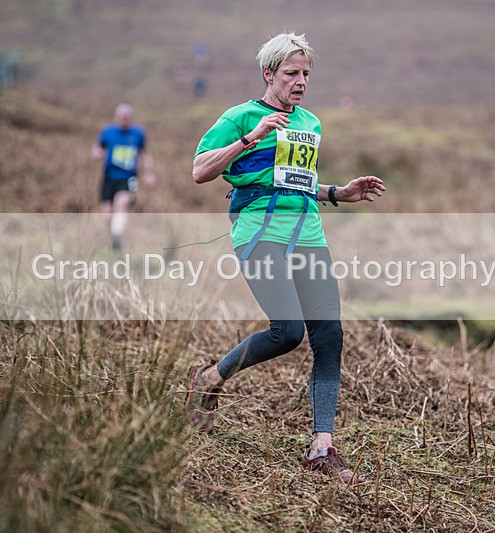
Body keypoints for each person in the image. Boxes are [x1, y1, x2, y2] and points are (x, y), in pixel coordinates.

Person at [189, 32, 385, 485]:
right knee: (288, 331)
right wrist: (250, 138)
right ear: (269, 74)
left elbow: (297, 180)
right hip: (258, 233)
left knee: (329, 334)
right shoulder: (240, 116)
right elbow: (200, 170)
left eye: (306, 74)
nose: (301, 82)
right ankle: (208, 379)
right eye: (292, 73)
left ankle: (321, 447)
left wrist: (338, 192)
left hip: (308, 235)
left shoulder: (311, 123)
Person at [90, 102, 156, 251]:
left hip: (128, 178)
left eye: (127, 117)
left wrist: (149, 172)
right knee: (107, 214)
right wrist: (95, 154)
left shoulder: (138, 134)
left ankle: (117, 237)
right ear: (116, 117)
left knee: (122, 204)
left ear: (131, 118)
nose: (124, 120)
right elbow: (97, 148)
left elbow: (145, 154)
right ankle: (113, 235)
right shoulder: (107, 132)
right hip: (108, 177)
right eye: (121, 117)